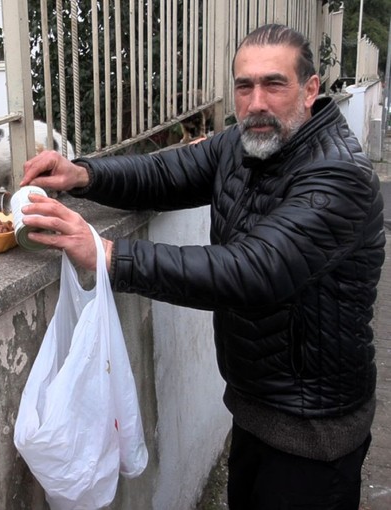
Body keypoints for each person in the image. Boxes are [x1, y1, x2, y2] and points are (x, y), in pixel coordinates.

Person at [19, 24, 386, 509]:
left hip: (314, 431)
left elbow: (254, 271)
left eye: (274, 84)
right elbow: (166, 173)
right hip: (257, 408)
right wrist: (83, 174)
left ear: (311, 89)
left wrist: (109, 255)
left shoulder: (338, 177)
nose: (256, 101)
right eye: (244, 85)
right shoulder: (247, 142)